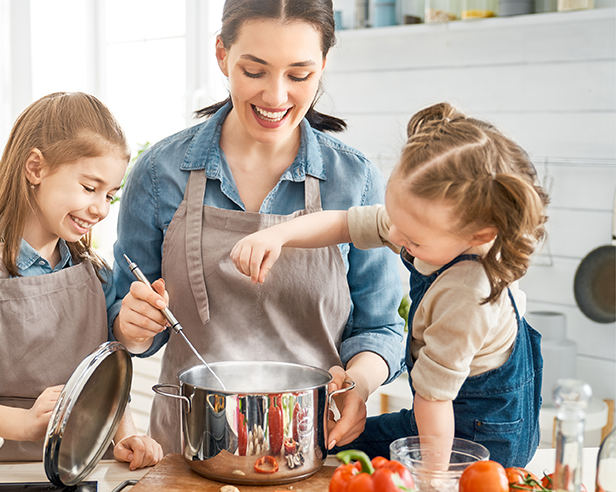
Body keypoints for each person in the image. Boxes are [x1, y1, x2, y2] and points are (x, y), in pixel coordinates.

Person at [109, 0, 406, 454]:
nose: (275, 96)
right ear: (222, 54)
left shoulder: (355, 179)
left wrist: (359, 385)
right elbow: (128, 321)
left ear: (323, 65)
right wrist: (131, 327)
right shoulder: (158, 174)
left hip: (310, 444)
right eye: (255, 71)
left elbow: (382, 327)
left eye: (299, 75)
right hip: (189, 449)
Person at [231, 102, 547, 467]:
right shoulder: (442, 229)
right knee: (324, 441)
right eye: (394, 218)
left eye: (411, 238)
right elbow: (345, 224)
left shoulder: (467, 295)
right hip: (445, 421)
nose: (394, 235)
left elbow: (434, 402)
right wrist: (278, 235)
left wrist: (432, 479)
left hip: (473, 443)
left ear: (479, 234)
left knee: (324, 446)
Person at [0, 92, 163, 468]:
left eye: (110, 195)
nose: (100, 208)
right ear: (35, 168)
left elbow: (109, 379)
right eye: (89, 187)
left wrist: (125, 435)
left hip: (88, 470)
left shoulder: (97, 274)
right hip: (1, 474)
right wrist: (25, 423)